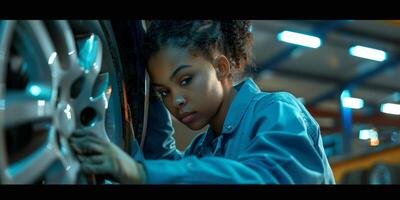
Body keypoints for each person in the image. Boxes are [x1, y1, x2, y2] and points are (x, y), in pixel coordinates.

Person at [69, 20, 335, 184]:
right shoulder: (203, 149)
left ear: (220, 67)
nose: (176, 102)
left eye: (185, 80)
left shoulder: (276, 110)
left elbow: (270, 178)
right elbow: (165, 163)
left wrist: (140, 173)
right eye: (164, 92)